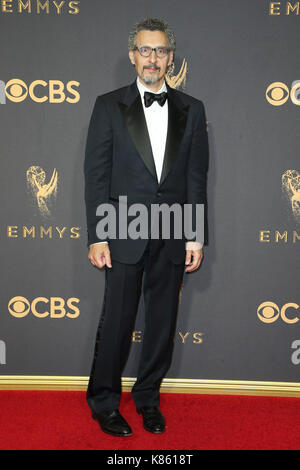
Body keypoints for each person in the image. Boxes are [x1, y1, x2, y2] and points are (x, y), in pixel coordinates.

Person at [84, 17, 209, 437]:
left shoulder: (193, 109)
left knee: (161, 323)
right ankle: (103, 403)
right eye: (144, 50)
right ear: (133, 56)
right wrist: (98, 234)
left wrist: (194, 234)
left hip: (173, 231)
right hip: (121, 229)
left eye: (160, 51)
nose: (152, 58)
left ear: (171, 57)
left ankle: (148, 399)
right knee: (116, 322)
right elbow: (96, 175)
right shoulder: (107, 105)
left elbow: (196, 177)